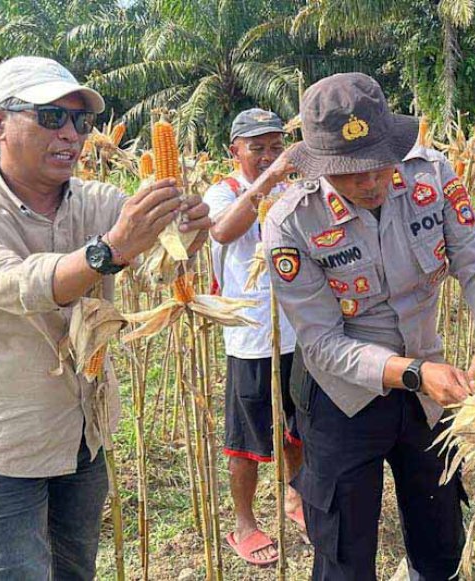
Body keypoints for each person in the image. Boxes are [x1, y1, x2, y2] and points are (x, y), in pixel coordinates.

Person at [0, 56, 211, 580]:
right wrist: (113, 248)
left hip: (84, 435)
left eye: (81, 121)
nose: (72, 135)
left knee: (75, 573)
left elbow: (162, 261)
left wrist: (186, 228)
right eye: (52, 118)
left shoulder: (101, 201)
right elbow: (18, 284)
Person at [263, 72, 475, 581]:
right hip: (343, 399)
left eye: (377, 165)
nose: (368, 182)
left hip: (430, 396)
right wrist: (412, 373)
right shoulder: (291, 221)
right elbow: (321, 344)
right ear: (321, 165)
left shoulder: (432, 177)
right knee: (344, 552)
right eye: (350, 172)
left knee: (440, 537)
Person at [204, 108, 304, 565]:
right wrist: (270, 181)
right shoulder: (221, 193)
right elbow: (224, 231)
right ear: (235, 151)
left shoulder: (292, 187)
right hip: (251, 336)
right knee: (246, 439)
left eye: (275, 147)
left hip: (298, 333)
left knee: (296, 429)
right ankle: (244, 523)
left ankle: (295, 497)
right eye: (257, 148)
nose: (268, 156)